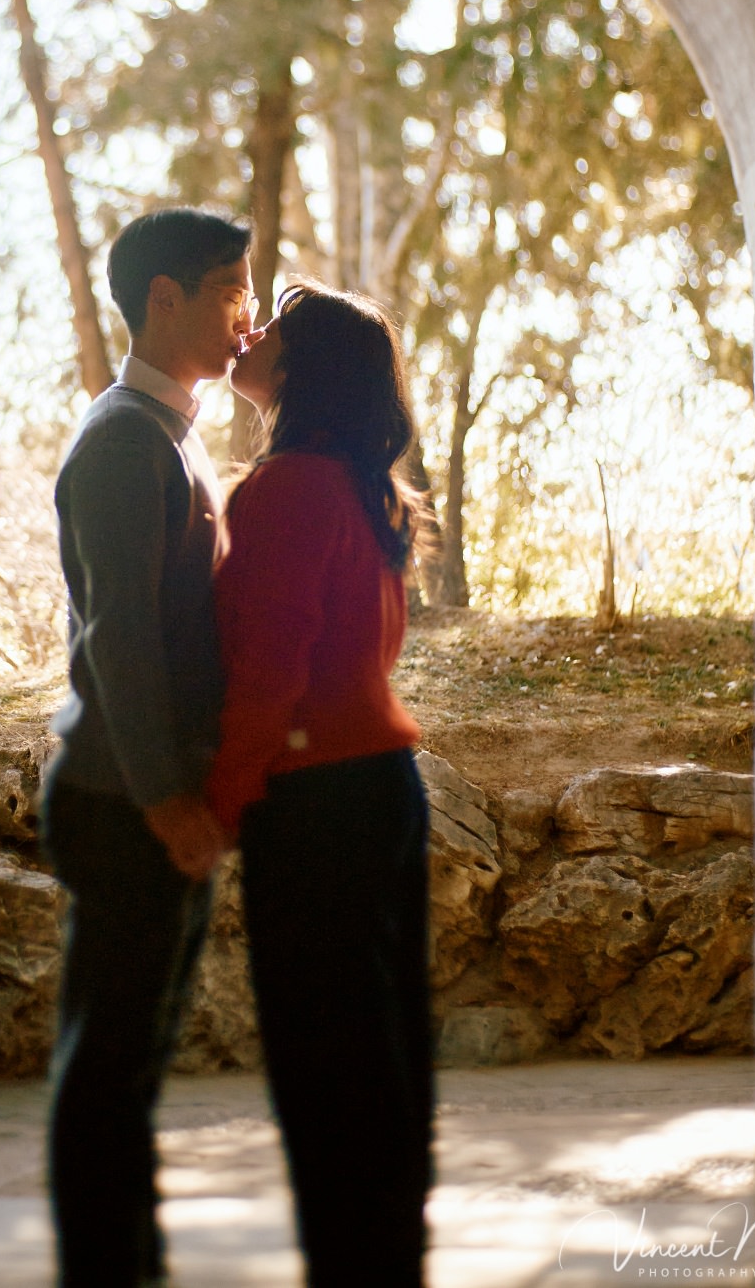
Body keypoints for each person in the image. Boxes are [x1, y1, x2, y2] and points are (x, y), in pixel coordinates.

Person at [40, 206, 254, 1288]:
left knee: (130, 1069)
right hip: (122, 798)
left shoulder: (171, 429)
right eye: (228, 291)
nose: (246, 316)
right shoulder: (125, 438)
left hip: (151, 796)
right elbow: (116, 637)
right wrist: (170, 796)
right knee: (108, 1069)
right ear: (162, 297)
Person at [206, 281, 432, 1288]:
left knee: (324, 1068)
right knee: (384, 1061)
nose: (249, 334)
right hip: (382, 789)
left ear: (300, 368)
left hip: (320, 808)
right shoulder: (359, 487)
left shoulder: (289, 486)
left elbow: (267, 673)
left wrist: (217, 807)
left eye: (273, 329)